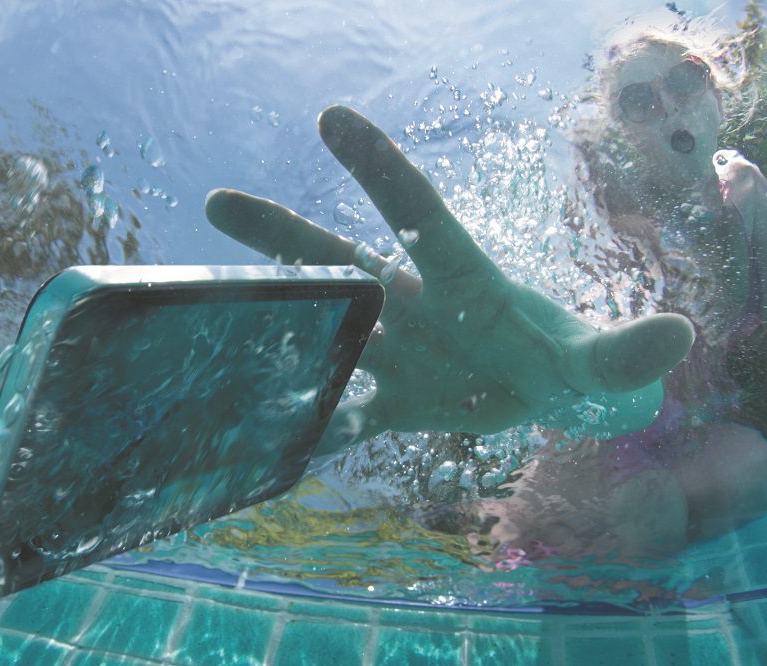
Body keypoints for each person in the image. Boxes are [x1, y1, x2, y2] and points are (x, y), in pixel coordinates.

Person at [203, 16, 767, 562]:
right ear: (626, 131)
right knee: (645, 509)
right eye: (639, 101)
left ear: (716, 91)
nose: (667, 103)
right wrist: (565, 377)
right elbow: (593, 319)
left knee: (747, 469)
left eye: (685, 78)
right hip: (605, 412)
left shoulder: (745, 189)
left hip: (696, 422)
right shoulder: (611, 211)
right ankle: (468, 524)